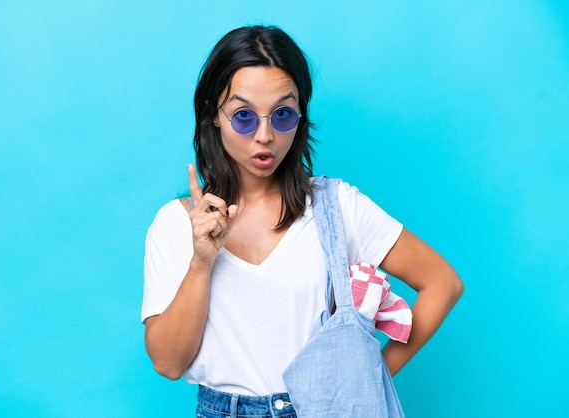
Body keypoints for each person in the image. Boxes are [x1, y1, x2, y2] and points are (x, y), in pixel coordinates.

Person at [141, 25, 464, 417]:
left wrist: (367, 375)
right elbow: (168, 364)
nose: (265, 135)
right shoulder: (177, 225)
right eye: (243, 116)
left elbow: (442, 283)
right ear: (213, 114)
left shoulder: (336, 207)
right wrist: (201, 263)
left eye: (282, 115)